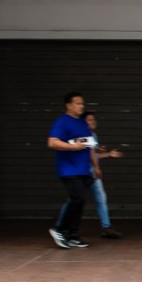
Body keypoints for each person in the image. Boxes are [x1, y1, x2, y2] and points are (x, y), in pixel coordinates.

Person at [47, 92, 94, 249]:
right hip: (69, 169)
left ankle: (72, 235)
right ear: (68, 105)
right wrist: (72, 146)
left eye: (82, 103)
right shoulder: (62, 122)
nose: (81, 106)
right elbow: (52, 142)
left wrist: (95, 164)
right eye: (78, 103)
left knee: (80, 201)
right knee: (77, 198)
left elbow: (89, 145)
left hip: (83, 169)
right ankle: (59, 229)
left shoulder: (82, 123)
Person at [83, 111, 123, 238]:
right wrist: (97, 167)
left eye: (94, 119)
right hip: (83, 172)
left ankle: (106, 228)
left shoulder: (93, 135)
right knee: (74, 199)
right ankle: (61, 226)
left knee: (101, 198)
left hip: (93, 173)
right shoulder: (82, 135)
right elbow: (90, 155)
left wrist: (109, 154)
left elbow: (95, 154)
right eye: (89, 120)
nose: (93, 121)